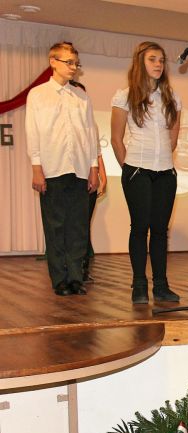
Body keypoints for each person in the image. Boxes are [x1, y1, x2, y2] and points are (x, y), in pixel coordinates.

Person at [26, 42, 99, 296]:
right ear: (53, 62)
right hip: (52, 168)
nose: (73, 67)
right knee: (55, 227)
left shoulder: (82, 97)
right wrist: (37, 168)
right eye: (69, 62)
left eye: (76, 63)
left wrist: (93, 167)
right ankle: (59, 279)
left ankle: (76, 278)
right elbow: (33, 132)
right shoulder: (38, 94)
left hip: (79, 169)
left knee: (78, 227)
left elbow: (91, 134)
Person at [111, 41, 181, 304]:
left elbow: (173, 139)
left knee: (160, 230)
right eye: (152, 59)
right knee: (140, 228)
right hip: (137, 170)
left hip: (165, 173)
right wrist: (129, 170)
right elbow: (116, 139)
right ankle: (139, 285)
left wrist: (161, 161)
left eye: (161, 60)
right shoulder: (124, 96)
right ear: (140, 62)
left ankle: (161, 285)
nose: (158, 64)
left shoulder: (172, 98)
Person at [69, 80, 108, 283]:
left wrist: (103, 176)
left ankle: (83, 268)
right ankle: (67, 267)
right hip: (69, 179)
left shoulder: (92, 123)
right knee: (70, 224)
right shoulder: (64, 122)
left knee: (84, 224)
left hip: (88, 180)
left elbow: (97, 152)